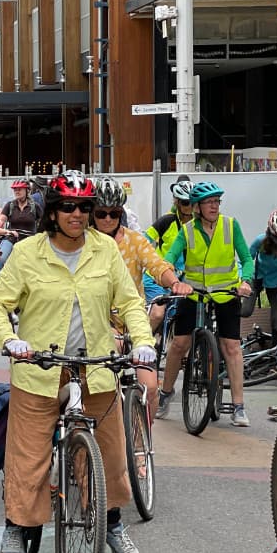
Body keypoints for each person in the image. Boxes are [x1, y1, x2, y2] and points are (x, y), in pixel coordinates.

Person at [0, 170, 154, 553]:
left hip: (95, 367)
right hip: (38, 368)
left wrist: (142, 341)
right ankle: (17, 525)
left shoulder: (105, 251)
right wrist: (10, 341)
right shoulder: (28, 253)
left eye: (85, 208)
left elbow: (129, 303)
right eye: (68, 207)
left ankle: (111, 524)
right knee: (29, 451)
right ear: (53, 213)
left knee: (110, 452)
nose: (77, 215)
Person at [156, 180, 255, 427]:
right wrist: (173, 281)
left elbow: (246, 258)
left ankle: (239, 406)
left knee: (231, 346)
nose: (214, 206)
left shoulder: (231, 226)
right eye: (208, 202)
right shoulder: (187, 231)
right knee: (179, 344)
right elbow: (168, 259)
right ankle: (166, 395)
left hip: (225, 293)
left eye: (216, 201)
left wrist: (245, 281)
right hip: (194, 293)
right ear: (197, 207)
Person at [91, 177, 190, 419]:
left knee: (151, 388)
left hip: (132, 323)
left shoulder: (135, 241)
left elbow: (156, 265)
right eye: (101, 213)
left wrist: (175, 282)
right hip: (95, 324)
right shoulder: (83, 241)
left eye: (113, 213)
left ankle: (140, 449)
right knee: (102, 388)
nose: (107, 219)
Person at [143, 177, 196, 331]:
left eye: (192, 202)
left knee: (180, 316)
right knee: (158, 314)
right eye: (185, 203)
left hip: (181, 279)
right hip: (156, 278)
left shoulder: (199, 225)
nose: (189, 207)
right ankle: (142, 344)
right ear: (177, 203)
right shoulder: (166, 221)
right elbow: (143, 242)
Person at [248, 209, 277, 338]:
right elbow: (246, 258)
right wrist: (243, 279)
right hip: (257, 277)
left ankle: (276, 350)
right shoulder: (260, 241)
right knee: (245, 310)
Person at [0, 178, 44, 266]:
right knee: (1, 258)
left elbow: (44, 224)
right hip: (12, 238)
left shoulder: (35, 206)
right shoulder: (9, 205)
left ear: (27, 190)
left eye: (20, 189)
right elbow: (0, 222)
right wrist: (4, 230)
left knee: (36, 264)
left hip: (29, 240)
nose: (17, 191)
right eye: (15, 189)